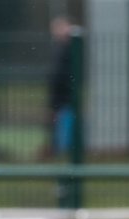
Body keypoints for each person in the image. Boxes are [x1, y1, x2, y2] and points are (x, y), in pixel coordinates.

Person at [47, 16, 76, 158]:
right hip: (63, 97)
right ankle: (63, 153)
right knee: (62, 127)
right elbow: (57, 76)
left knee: (65, 127)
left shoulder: (66, 49)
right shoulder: (62, 49)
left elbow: (59, 76)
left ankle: (64, 153)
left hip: (65, 97)